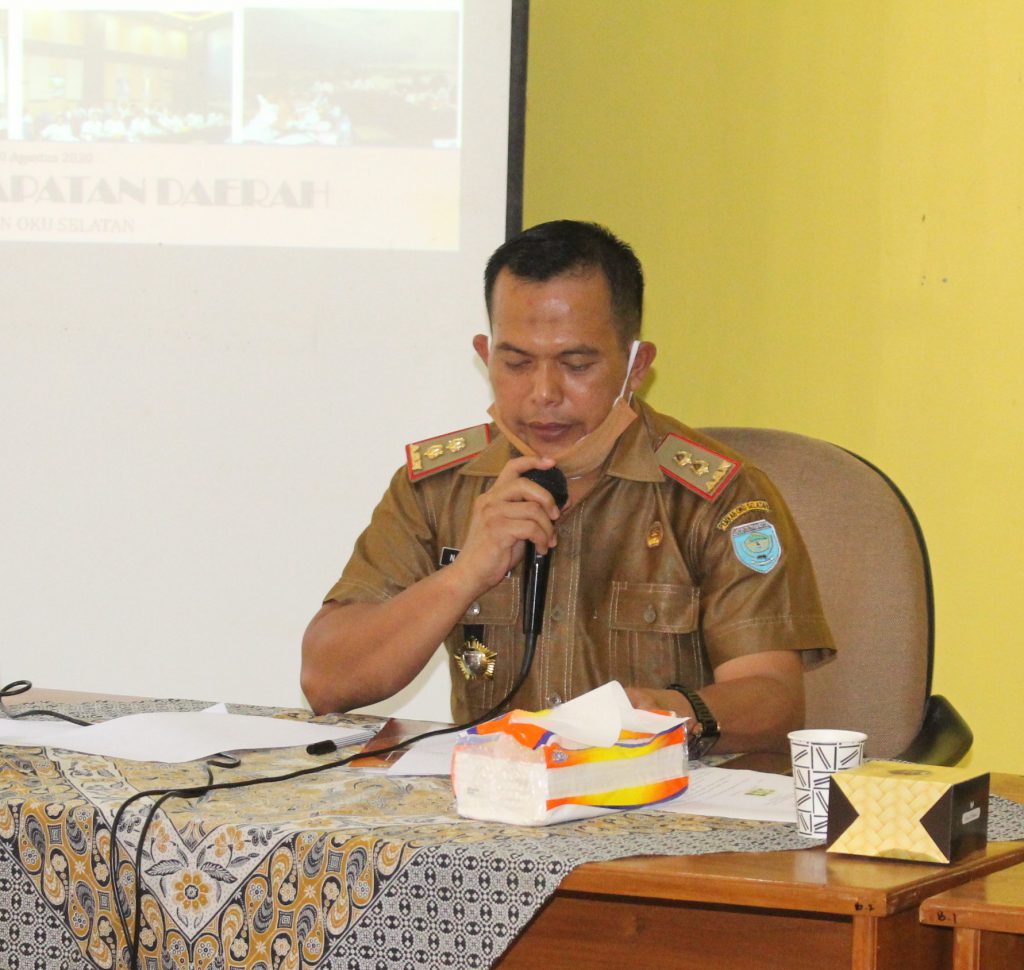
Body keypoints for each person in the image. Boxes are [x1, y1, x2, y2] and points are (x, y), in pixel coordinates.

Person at [302, 220, 835, 754]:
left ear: (636, 366)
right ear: (486, 356)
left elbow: (774, 700)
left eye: (576, 364)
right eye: (516, 363)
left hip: (661, 793)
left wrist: (662, 712)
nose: (544, 393)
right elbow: (328, 682)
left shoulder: (716, 498)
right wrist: (465, 574)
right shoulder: (438, 488)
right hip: (494, 794)